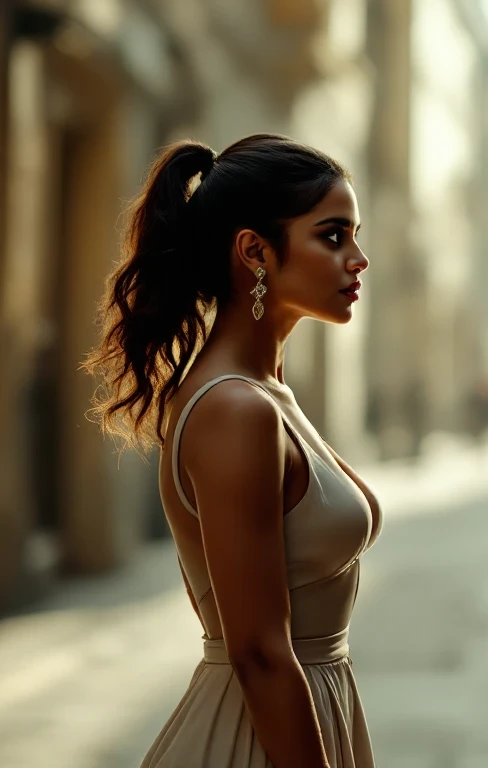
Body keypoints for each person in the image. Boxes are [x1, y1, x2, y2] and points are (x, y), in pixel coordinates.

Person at [83, 134, 381, 768]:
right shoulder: (235, 410)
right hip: (254, 738)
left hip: (307, 714)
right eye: (333, 236)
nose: (359, 259)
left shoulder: (266, 395)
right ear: (255, 251)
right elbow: (259, 653)